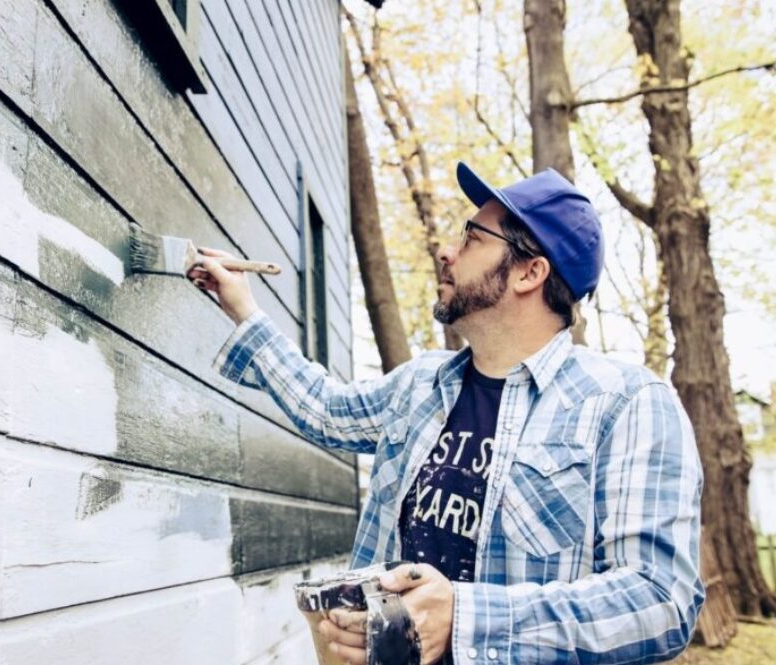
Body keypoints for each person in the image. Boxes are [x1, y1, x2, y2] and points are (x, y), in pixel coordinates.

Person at [187, 162, 705, 664]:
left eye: (472, 238)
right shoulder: (420, 384)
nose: (445, 251)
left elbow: (660, 601)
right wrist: (243, 308)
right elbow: (324, 409)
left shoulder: (627, 404)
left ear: (530, 272)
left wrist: (464, 616)